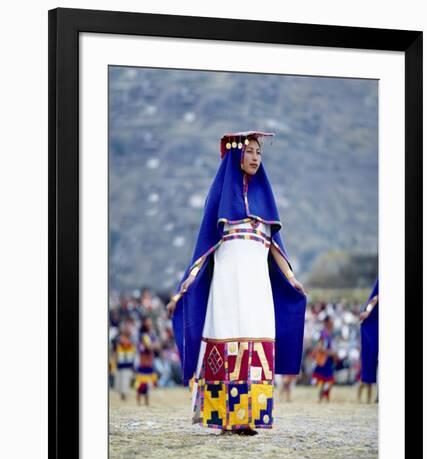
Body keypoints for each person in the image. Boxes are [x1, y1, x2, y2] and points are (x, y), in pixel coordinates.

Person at [167, 130, 307, 435]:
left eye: (260, 152)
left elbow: (275, 247)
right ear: (236, 155)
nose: (256, 157)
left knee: (255, 342)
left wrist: (292, 278)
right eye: (251, 151)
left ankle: (248, 417)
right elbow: (204, 246)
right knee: (228, 340)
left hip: (258, 286)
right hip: (228, 287)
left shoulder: (265, 206)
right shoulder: (219, 200)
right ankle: (225, 418)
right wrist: (188, 281)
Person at [358, 278, 379, 404]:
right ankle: (364, 399)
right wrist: (368, 311)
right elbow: (375, 297)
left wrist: (367, 311)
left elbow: (375, 297)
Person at [311, 315, 337, 402]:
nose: (332, 322)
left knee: (327, 380)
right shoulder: (324, 334)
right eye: (331, 321)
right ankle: (323, 397)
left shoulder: (330, 333)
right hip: (324, 359)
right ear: (327, 323)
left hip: (328, 359)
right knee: (327, 380)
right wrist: (331, 353)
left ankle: (324, 397)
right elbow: (320, 348)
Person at [135, 317, 159, 405]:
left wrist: (152, 346)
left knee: (148, 384)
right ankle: (139, 402)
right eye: (148, 322)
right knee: (141, 384)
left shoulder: (151, 334)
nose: (150, 323)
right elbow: (149, 347)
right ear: (144, 323)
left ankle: (146, 401)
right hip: (143, 362)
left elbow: (157, 346)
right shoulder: (142, 335)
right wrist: (152, 346)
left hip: (149, 362)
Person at [111, 322, 136, 401]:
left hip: (128, 363)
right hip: (120, 363)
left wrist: (133, 363)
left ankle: (124, 395)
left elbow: (134, 352)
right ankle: (122, 394)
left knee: (125, 380)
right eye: (126, 329)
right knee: (118, 383)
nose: (128, 331)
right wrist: (113, 362)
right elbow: (114, 351)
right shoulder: (118, 339)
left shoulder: (132, 340)